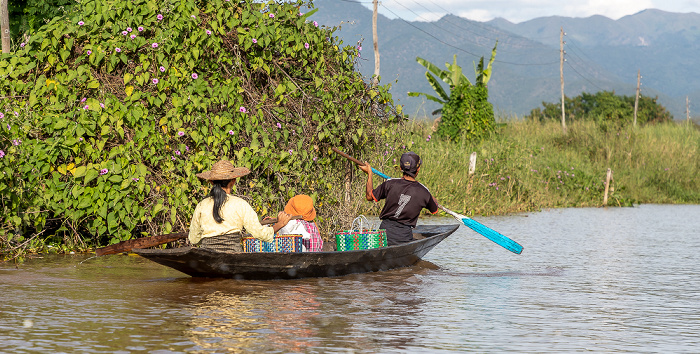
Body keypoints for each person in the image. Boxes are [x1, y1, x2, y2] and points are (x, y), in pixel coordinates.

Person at [189, 160, 291, 252]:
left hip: (207, 256)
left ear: (211, 182)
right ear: (233, 181)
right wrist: (280, 224)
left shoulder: (201, 205)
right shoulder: (240, 204)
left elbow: (193, 239)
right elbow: (260, 234)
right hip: (233, 255)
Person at [359, 152, 439, 246]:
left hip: (384, 234)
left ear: (401, 168)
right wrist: (432, 198)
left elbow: (369, 196)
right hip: (404, 237)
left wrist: (369, 174)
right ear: (418, 169)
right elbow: (435, 209)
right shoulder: (424, 192)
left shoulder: (390, 183)